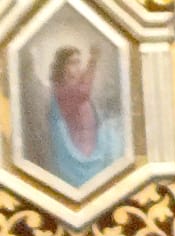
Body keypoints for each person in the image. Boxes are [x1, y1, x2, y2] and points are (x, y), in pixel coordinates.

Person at [47, 45, 122, 188]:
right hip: (79, 148)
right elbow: (84, 92)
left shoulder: (74, 83)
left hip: (91, 141)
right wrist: (93, 61)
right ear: (62, 66)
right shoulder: (61, 89)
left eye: (78, 62)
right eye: (72, 63)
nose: (77, 67)